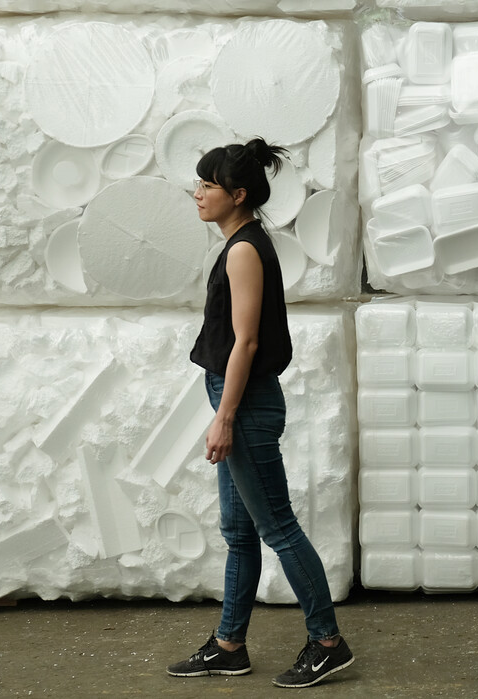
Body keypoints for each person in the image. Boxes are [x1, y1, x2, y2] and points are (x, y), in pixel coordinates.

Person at [166, 138, 354, 689]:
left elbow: (246, 342)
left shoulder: (244, 250)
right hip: (238, 398)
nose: (198, 193)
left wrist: (225, 416)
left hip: (244, 403)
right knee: (240, 531)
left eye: (208, 185)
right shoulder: (242, 244)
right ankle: (229, 645)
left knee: (278, 527)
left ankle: (328, 642)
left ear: (239, 195)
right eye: (199, 183)